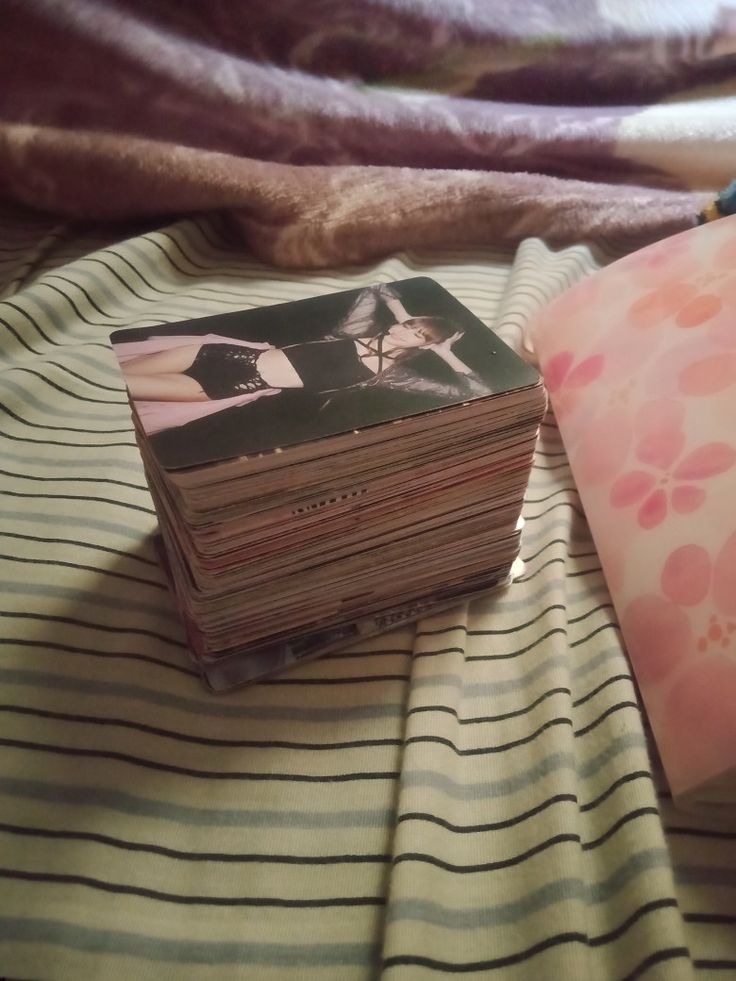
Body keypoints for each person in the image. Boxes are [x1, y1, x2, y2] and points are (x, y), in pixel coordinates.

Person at [114, 284, 489, 434]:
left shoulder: (389, 376)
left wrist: (444, 350)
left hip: (228, 385)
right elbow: (376, 288)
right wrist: (403, 314)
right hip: (224, 353)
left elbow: (475, 391)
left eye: (414, 335)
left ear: (424, 347)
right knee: (114, 375)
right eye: (407, 325)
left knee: (128, 389)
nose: (402, 330)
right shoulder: (353, 331)